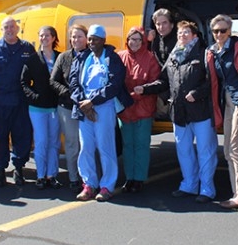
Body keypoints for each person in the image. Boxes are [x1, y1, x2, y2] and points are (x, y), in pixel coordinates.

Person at [136, 21, 217, 204]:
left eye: (186, 32)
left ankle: (207, 189)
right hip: (179, 112)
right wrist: (146, 88)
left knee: (206, 150)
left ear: (195, 36)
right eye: (180, 33)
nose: (182, 36)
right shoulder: (174, 55)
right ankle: (188, 184)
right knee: (184, 150)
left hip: (200, 111)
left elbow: (212, 82)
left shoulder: (204, 54)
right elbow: (164, 81)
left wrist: (197, 93)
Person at [69, 24, 132, 202]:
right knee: (86, 147)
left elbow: (114, 84)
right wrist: (84, 104)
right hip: (84, 108)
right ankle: (88, 184)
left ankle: (107, 185)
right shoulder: (82, 58)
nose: (91, 43)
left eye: (95, 39)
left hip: (103, 107)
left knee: (106, 147)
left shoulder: (112, 58)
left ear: (103, 40)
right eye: (89, 39)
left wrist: (93, 102)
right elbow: (73, 83)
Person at [0, 16, 35, 187]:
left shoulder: (27, 48)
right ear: (2, 30)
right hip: (0, 103)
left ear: (17, 29)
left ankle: (19, 170)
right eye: (6, 27)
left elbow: (36, 72)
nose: (9, 30)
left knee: (21, 137)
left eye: (12, 26)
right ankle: (1, 171)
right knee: (1, 138)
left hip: (21, 102)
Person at [206, 14, 238, 209]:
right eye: (215, 31)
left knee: (235, 147)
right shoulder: (212, 51)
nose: (219, 34)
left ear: (230, 30)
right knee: (227, 150)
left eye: (223, 30)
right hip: (226, 102)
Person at [117, 27, 160, 193]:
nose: (133, 43)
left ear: (143, 42)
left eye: (137, 39)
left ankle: (139, 178)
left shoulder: (150, 58)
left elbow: (154, 82)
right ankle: (129, 178)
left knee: (141, 145)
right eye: (131, 39)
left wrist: (136, 94)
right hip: (125, 109)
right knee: (128, 145)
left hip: (143, 108)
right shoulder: (120, 57)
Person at [22, 25, 61, 190]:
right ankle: (40, 175)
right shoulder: (32, 59)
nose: (44, 38)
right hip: (38, 108)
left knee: (54, 142)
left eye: (47, 36)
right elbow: (24, 82)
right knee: (41, 141)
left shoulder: (61, 57)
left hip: (56, 108)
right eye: (41, 36)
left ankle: (51, 175)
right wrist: (34, 97)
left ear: (53, 38)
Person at [50, 24, 87, 191]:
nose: (76, 40)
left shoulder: (92, 56)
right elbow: (53, 80)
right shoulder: (64, 57)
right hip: (67, 107)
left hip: (88, 108)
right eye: (73, 37)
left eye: (79, 36)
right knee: (72, 143)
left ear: (86, 38)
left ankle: (89, 176)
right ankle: (74, 177)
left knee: (88, 144)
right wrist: (67, 93)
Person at [149, 8, 177, 121]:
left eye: (164, 23)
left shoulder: (179, 39)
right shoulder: (156, 40)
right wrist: (148, 41)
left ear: (172, 24)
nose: (161, 27)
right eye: (158, 24)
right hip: (163, 84)